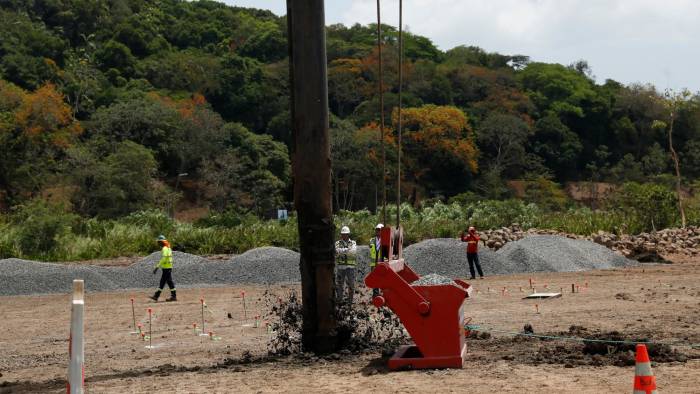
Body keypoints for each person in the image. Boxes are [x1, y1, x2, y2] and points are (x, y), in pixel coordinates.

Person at [150, 235, 177, 302]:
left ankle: (157, 296)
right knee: (167, 282)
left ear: (161, 242)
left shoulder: (164, 248)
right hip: (168, 267)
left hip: (166, 268)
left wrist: (157, 267)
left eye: (158, 242)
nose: (158, 243)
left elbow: (164, 258)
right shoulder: (169, 248)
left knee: (166, 282)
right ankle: (157, 296)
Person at [335, 225, 357, 303]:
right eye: (343, 234)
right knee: (340, 284)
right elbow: (337, 251)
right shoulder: (337, 243)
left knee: (351, 284)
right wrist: (347, 250)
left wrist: (342, 251)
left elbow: (352, 252)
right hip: (341, 267)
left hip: (350, 267)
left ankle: (350, 301)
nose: (344, 235)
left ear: (348, 234)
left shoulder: (353, 243)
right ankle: (339, 300)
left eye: (346, 234)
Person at [368, 223, 384, 296]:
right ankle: (375, 294)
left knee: (382, 279)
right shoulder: (371, 240)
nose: (378, 231)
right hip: (373, 264)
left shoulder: (385, 240)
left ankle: (383, 294)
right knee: (374, 279)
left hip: (382, 264)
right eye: (377, 230)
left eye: (379, 230)